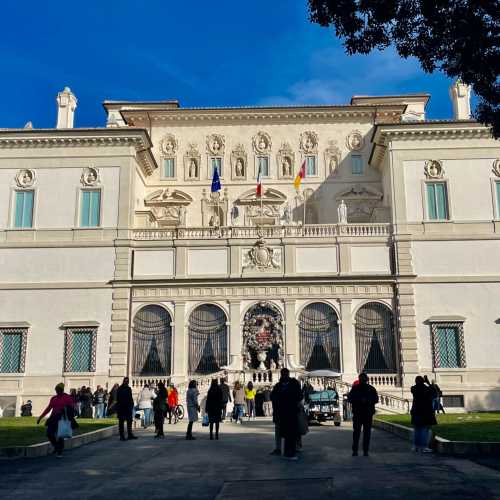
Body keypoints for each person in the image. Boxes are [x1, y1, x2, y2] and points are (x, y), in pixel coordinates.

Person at [37, 383, 77, 457]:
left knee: (60, 435)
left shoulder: (67, 397)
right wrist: (40, 417)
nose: (57, 391)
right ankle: (56, 446)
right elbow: (48, 408)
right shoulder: (53, 398)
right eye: (56, 390)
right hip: (53, 417)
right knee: (49, 433)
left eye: (58, 390)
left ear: (61, 390)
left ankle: (59, 451)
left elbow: (72, 408)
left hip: (62, 418)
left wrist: (66, 411)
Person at [271, 368, 303, 460]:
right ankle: (289, 451)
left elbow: (273, 397)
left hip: (286, 413)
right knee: (288, 432)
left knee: (288, 433)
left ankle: (288, 451)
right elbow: (300, 396)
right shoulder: (292, 384)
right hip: (286, 413)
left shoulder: (279, 386)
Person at [347, 373, 379, 457]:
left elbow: (376, 399)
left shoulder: (370, 389)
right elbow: (350, 399)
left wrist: (367, 401)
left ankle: (362, 450)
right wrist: (360, 400)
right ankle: (360, 450)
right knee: (360, 433)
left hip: (365, 413)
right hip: (360, 413)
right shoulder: (356, 388)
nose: (363, 381)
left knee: (362, 433)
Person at [411, 376, 437, 453]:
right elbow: (435, 393)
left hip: (416, 411)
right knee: (424, 429)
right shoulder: (427, 389)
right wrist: (428, 383)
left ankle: (416, 446)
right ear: (423, 381)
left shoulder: (413, 388)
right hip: (426, 411)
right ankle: (424, 447)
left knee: (417, 429)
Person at [116, 377, 137, 441]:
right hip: (122, 408)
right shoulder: (119, 389)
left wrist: (132, 404)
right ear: (123, 381)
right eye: (126, 381)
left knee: (129, 421)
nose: (127, 382)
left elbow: (130, 397)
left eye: (127, 381)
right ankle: (122, 436)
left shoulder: (129, 388)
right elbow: (118, 398)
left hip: (128, 407)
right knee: (121, 422)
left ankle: (130, 434)